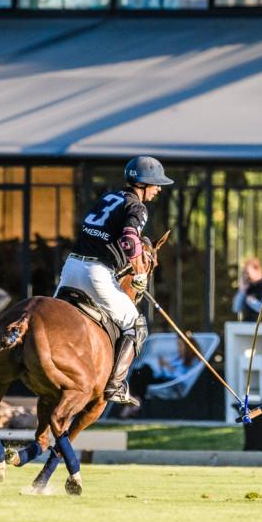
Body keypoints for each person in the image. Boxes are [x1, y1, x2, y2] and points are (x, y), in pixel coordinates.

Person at [56, 155, 172, 405]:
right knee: (136, 325)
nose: (158, 189)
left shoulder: (108, 197)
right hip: (96, 273)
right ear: (142, 184)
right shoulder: (137, 207)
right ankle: (116, 384)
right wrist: (140, 273)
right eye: (156, 184)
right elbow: (130, 239)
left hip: (71, 267)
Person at [120, 331, 203, 419]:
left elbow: (184, 377)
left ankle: (134, 404)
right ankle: (136, 402)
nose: (178, 348)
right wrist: (162, 365)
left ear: (188, 347)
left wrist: (169, 367)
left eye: (180, 345)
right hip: (163, 378)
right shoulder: (177, 357)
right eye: (178, 345)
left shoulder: (193, 360)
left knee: (143, 373)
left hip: (174, 383)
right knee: (138, 372)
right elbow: (165, 371)